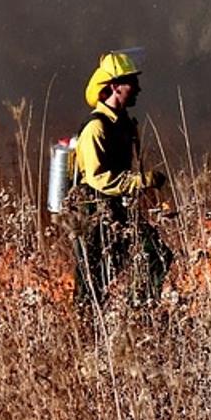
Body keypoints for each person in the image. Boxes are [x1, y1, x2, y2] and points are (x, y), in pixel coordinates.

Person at [69, 51, 174, 308]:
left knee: (157, 256)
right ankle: (86, 330)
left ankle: (139, 311)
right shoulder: (96, 127)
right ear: (115, 86)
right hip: (94, 210)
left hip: (117, 207)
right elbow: (97, 178)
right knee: (93, 280)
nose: (138, 88)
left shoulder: (124, 123)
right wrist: (140, 181)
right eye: (131, 82)